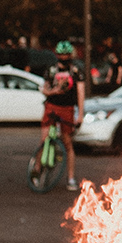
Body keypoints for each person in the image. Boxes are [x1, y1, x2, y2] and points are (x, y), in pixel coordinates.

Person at [41, 42, 84, 191]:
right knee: (44, 139)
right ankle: (37, 168)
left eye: (66, 55)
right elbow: (44, 88)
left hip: (67, 108)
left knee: (67, 142)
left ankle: (70, 177)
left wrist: (80, 115)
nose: (64, 57)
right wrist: (53, 92)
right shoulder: (52, 69)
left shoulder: (76, 70)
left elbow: (80, 92)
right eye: (61, 55)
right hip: (52, 106)